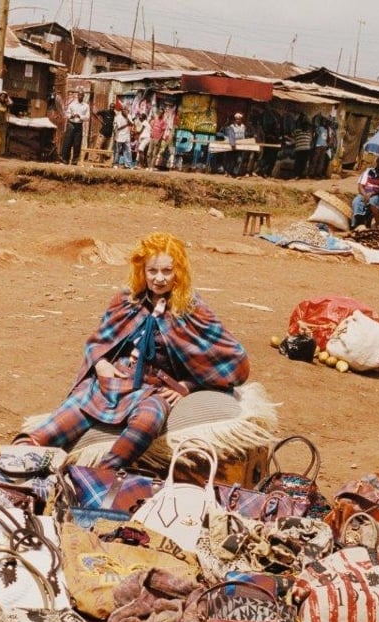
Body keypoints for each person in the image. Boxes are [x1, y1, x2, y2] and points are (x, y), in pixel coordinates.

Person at [19, 232, 250, 469]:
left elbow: (234, 359)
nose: (159, 279)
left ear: (178, 272)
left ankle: (99, 474)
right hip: (113, 380)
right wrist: (101, 364)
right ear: (143, 271)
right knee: (54, 427)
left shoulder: (192, 309)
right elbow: (98, 342)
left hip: (155, 387)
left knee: (148, 421)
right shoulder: (126, 300)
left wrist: (187, 386)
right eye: (152, 271)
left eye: (167, 271)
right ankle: (11, 466)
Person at [352, 154, 379, 227]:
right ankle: (357, 222)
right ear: (376, 161)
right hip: (365, 193)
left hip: (378, 195)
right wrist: (365, 194)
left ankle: (377, 223)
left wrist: (372, 193)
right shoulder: (368, 171)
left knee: (373, 202)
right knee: (356, 201)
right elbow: (360, 186)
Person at [61, 90, 90, 165]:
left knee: (77, 144)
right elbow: (67, 113)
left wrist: (80, 116)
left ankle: (74, 161)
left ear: (83, 96)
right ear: (77, 96)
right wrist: (71, 116)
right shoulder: (72, 104)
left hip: (79, 125)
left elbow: (87, 117)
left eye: (82, 95)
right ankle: (65, 160)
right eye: (79, 95)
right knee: (68, 142)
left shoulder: (86, 106)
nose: (80, 97)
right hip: (71, 124)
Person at [222, 112, 248, 177]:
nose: (238, 120)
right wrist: (233, 144)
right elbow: (231, 135)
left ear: (241, 120)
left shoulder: (243, 127)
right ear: (235, 120)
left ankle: (235, 173)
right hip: (233, 145)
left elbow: (245, 135)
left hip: (241, 145)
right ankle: (228, 172)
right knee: (231, 160)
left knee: (239, 160)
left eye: (239, 119)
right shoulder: (231, 127)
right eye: (236, 119)